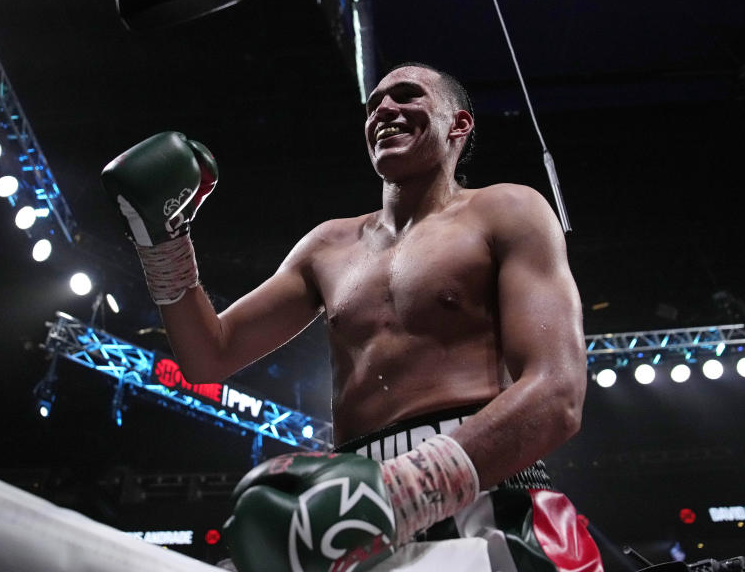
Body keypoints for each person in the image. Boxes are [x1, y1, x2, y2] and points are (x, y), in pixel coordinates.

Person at [102, 63, 603, 572]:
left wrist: (407, 489)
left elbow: (556, 391)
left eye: (407, 96)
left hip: (482, 487)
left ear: (459, 124)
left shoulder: (507, 210)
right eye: (374, 104)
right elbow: (209, 355)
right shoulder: (327, 246)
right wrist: (162, 243)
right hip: (350, 503)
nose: (384, 109)